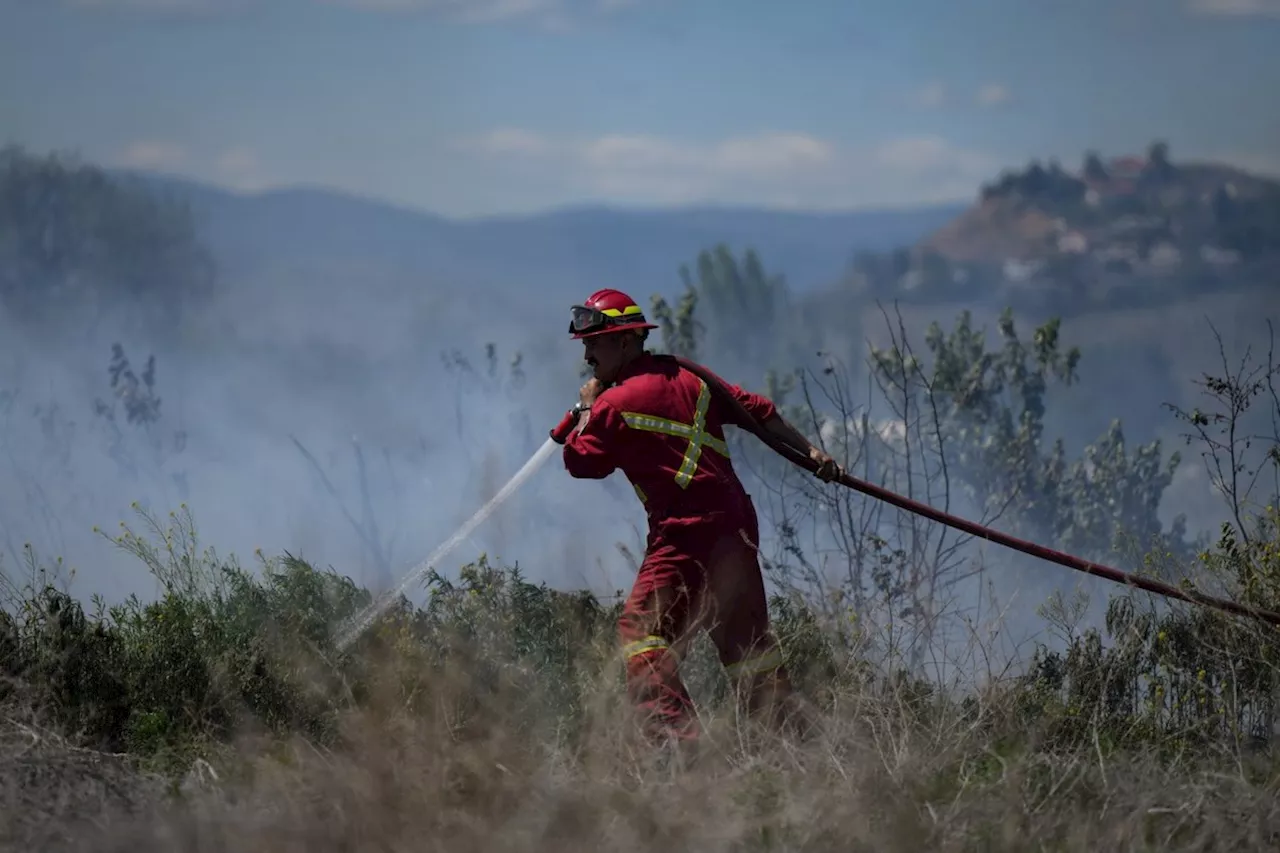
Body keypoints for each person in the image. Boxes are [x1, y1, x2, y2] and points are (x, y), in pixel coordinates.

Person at [550, 287, 842, 748]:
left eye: (595, 343)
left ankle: (681, 748)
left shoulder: (610, 405)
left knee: (641, 635)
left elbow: (582, 461)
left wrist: (586, 406)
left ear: (626, 342)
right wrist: (812, 452)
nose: (587, 356)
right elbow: (759, 412)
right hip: (736, 525)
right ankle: (792, 748)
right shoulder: (691, 379)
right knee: (745, 646)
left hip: (684, 532)